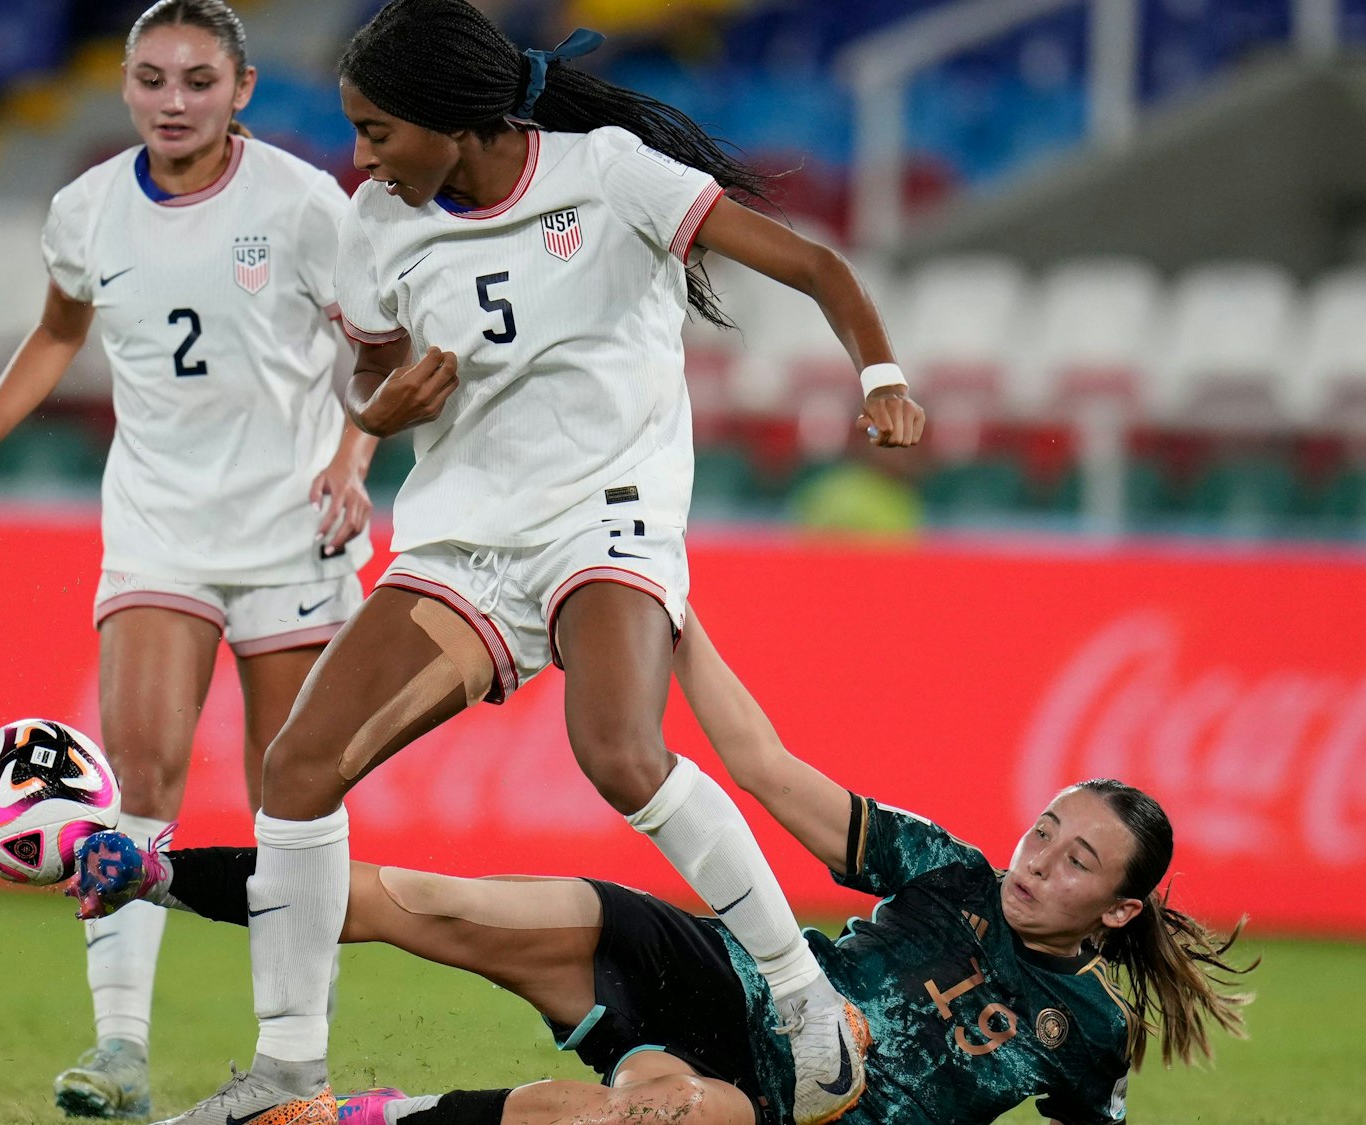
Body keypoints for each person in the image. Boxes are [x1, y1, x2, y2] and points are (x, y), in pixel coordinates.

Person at [129, 4, 926, 1125]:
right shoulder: (374, 222)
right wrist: (383, 407)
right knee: (297, 770)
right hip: (465, 545)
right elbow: (369, 384)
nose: (358, 158)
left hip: (608, 521)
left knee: (615, 752)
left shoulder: (609, 176)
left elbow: (812, 265)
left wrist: (879, 376)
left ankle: (805, 1007)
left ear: (457, 121)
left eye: (377, 132)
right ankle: (287, 1079)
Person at [70, 606, 1255, 1125]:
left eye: (1074, 858)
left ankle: (323, 1119)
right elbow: (758, 761)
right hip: (710, 971)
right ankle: (141, 869)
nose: (1038, 858)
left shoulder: (1089, 1032)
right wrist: (672, 617)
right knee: (420, 900)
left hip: (779, 1104)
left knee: (645, 1118)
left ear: (1120, 907)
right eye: (1045, 826)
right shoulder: (945, 870)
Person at [0, 2, 379, 1117]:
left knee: (292, 800)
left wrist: (350, 455)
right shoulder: (85, 210)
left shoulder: (304, 205)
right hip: (159, 530)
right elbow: (56, 332)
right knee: (141, 787)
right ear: (125, 87)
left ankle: (292, 1060)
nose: (171, 102)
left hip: (292, 531)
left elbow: (385, 350)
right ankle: (119, 1052)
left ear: (242, 89)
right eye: (150, 79)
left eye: (195, 80)